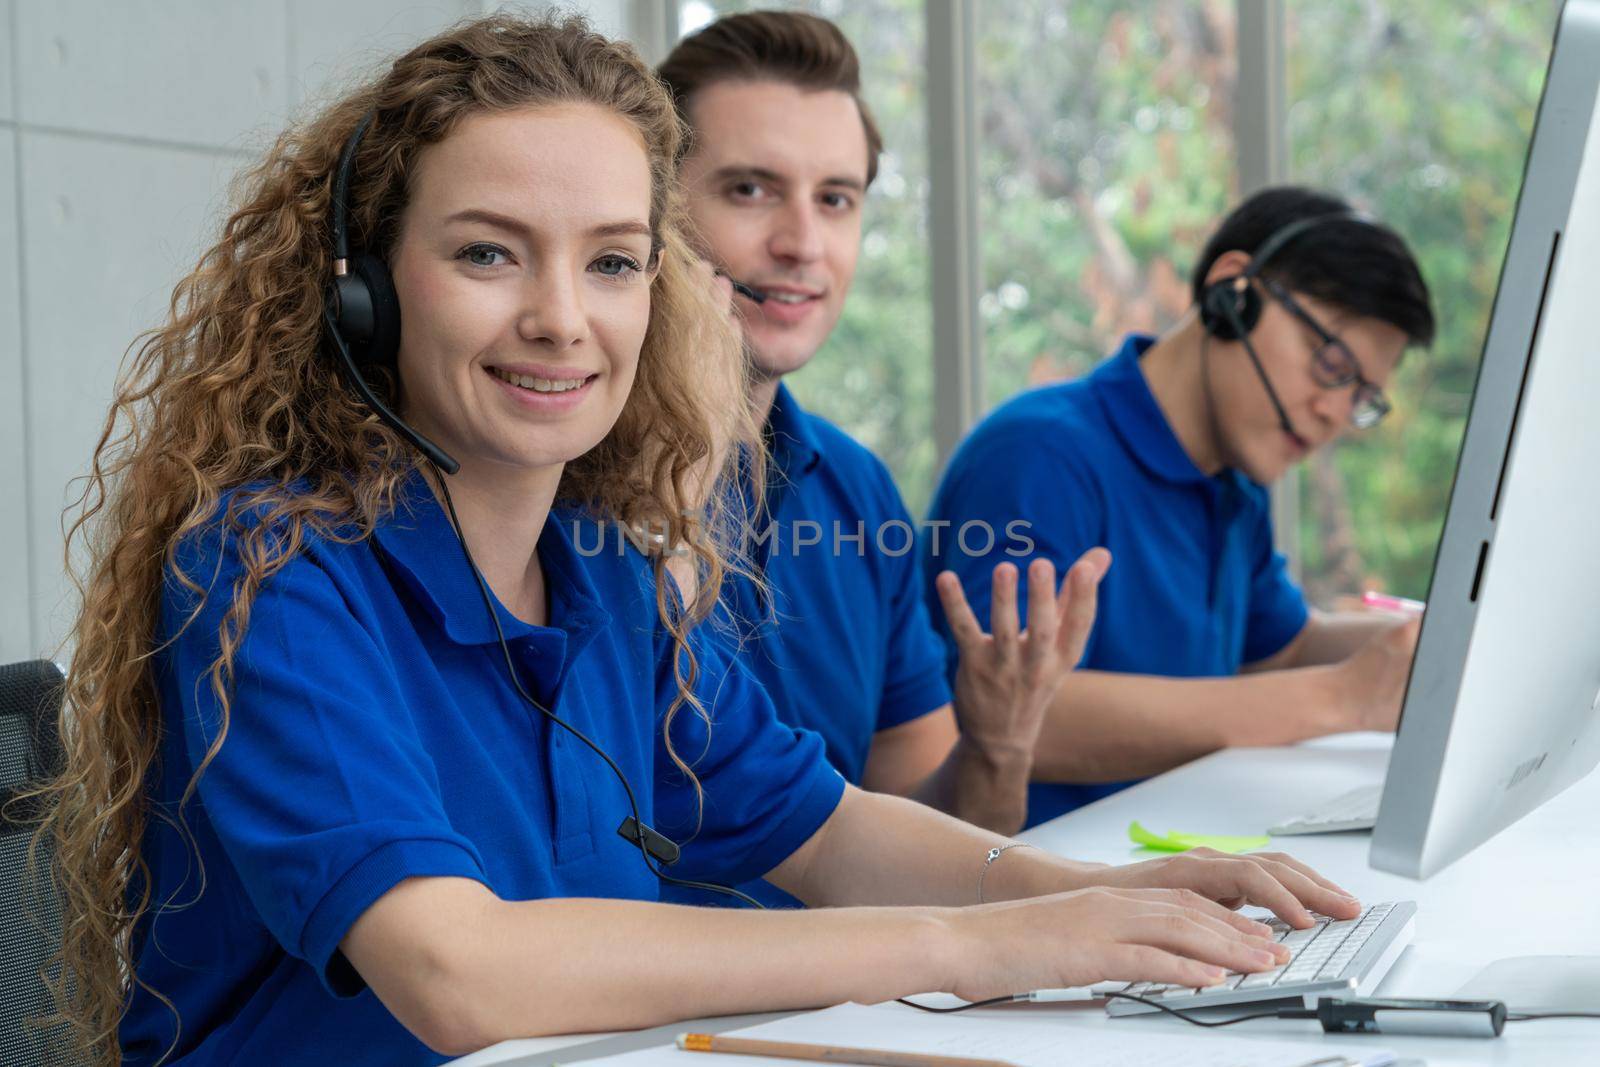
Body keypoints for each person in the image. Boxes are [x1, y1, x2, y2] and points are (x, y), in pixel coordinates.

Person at [35, 18, 1360, 1066]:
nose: (564, 317)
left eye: (612, 262)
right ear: (369, 291)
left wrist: (1111, 906)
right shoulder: (272, 565)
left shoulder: (607, 564)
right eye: (491, 253)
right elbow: (458, 970)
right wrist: (965, 944)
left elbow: (829, 828)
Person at [656, 11, 1108, 843]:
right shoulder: (561, 483)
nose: (803, 244)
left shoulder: (858, 490)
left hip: (869, 975)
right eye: (749, 189)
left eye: (835, 199)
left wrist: (1001, 747)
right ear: (649, 208)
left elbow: (925, 846)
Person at [925, 186, 1435, 826]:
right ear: (1233, 291)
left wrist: (1441, 639)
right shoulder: (1040, 455)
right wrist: (1340, 699)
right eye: (1331, 364)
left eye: (1361, 397)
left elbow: (1280, 647)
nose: (1335, 412)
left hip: (1176, 862)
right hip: (1048, 877)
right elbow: (1021, 714)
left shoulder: (1230, 482)